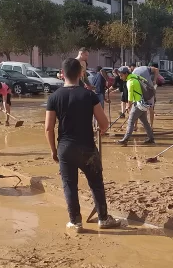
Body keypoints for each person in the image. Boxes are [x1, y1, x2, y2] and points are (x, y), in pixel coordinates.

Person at [45, 58, 121, 232]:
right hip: (87, 148)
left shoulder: (54, 97)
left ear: (62, 74)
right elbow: (104, 123)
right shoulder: (89, 95)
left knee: (69, 185)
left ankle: (75, 222)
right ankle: (103, 218)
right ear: (81, 73)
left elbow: (49, 128)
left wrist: (53, 150)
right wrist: (101, 130)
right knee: (96, 184)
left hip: (65, 148)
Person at [116, 66, 156, 145]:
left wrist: (128, 105)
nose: (120, 78)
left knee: (130, 121)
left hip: (138, 104)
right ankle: (151, 138)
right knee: (145, 122)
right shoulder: (136, 77)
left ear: (126, 74)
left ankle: (125, 139)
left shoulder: (130, 81)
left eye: (121, 75)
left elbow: (130, 95)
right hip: (142, 103)